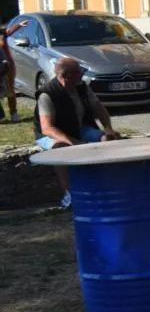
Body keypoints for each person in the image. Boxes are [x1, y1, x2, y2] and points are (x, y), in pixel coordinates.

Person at [35, 57, 122, 208]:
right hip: (52, 134)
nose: (82, 74)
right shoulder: (47, 94)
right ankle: (69, 195)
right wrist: (72, 142)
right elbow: (47, 128)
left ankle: (108, 186)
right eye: (78, 71)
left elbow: (98, 108)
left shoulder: (82, 87)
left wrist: (107, 127)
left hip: (79, 127)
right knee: (60, 149)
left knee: (108, 139)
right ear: (65, 76)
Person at [2, 18, 29, 123]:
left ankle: (14, 113)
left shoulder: (2, 33)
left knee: (10, 89)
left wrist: (19, 25)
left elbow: (8, 32)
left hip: (7, 65)